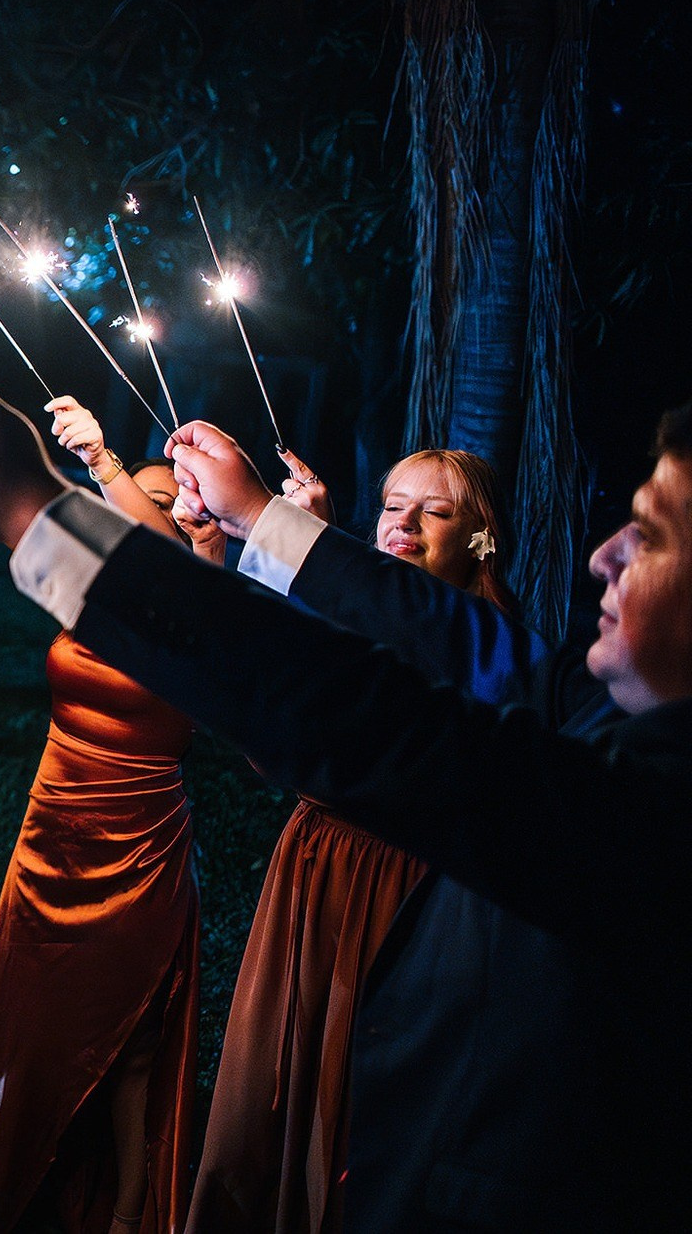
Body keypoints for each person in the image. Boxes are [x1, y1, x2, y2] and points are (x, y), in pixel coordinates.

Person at [0, 375, 692, 1232]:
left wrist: (37, 515)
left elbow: (359, 710)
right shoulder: (594, 708)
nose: (604, 555)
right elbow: (461, 640)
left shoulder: (654, 817)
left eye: (649, 535)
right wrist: (260, 517)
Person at [187, 447, 517, 1234]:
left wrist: (291, 540)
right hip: (317, 864)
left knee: (353, 1090)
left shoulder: (485, 642)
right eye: (393, 506)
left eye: (432, 512)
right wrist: (243, 546)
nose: (403, 524)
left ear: (481, 537)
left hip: (402, 884)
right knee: (280, 1077)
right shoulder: (362, 612)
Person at [0, 396, 208, 1234]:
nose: (142, 514)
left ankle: (129, 1213)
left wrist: (108, 465)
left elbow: (166, 562)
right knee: (31, 1010)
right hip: (54, 816)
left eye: (167, 502)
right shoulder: (98, 593)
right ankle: (23, 1180)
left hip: (138, 832)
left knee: (132, 1041)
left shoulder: (205, 600)